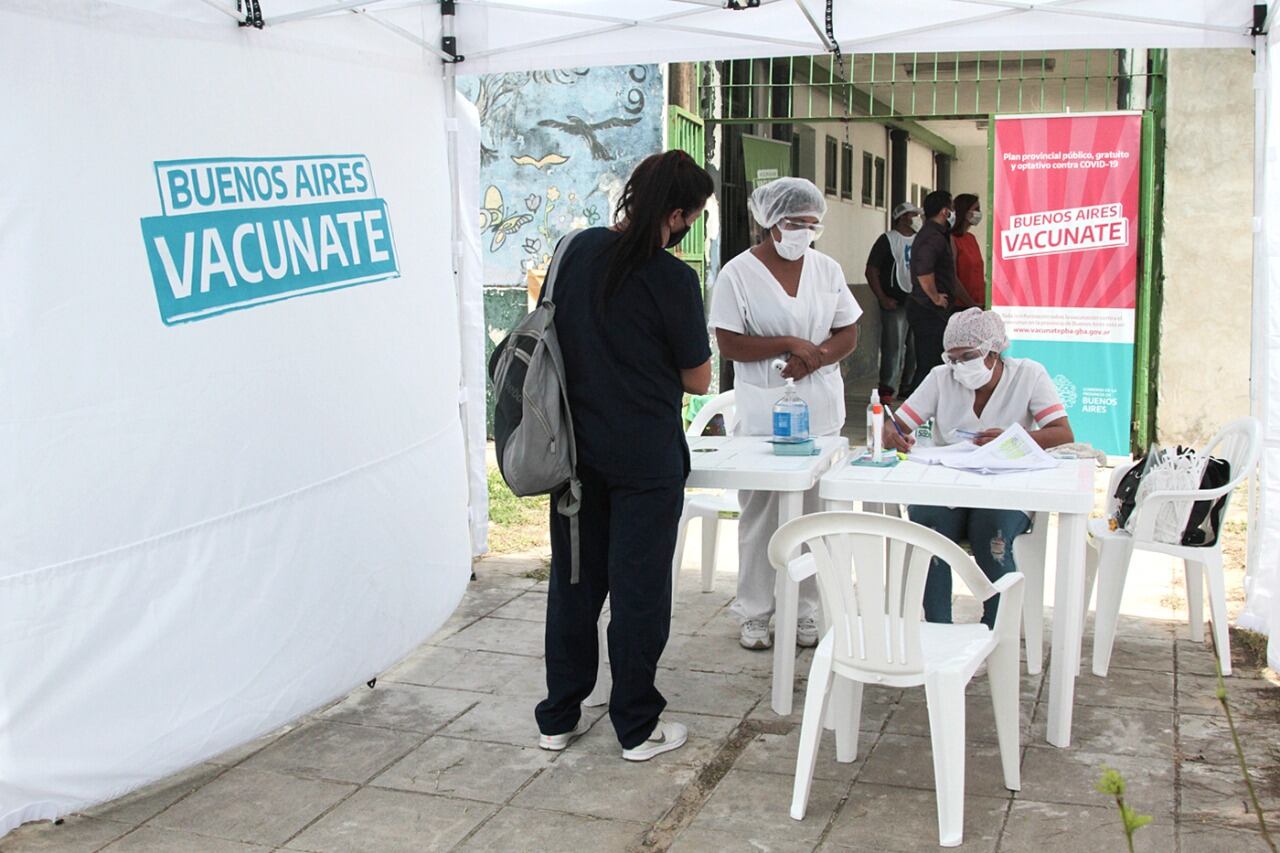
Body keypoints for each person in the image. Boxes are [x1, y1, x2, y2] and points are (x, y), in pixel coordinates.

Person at [536, 150, 714, 762]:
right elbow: (698, 380)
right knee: (639, 594)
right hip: (645, 460)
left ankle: (559, 717)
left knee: (575, 587)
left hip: (575, 458)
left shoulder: (574, 250)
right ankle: (637, 727)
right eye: (694, 214)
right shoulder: (672, 278)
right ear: (676, 214)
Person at [709, 177, 861, 650]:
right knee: (760, 514)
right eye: (795, 223)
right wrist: (787, 345)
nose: (803, 233)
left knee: (813, 515)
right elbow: (729, 341)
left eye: (812, 225)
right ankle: (755, 612)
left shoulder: (827, 269)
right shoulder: (737, 273)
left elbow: (848, 331)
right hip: (762, 411)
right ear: (771, 222)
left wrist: (813, 357)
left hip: (818, 409)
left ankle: (806, 612)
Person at [883, 309, 1074, 627]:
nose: (959, 366)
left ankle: (997, 631)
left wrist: (1013, 439)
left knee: (992, 531)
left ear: (993, 351)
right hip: (951, 486)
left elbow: (1062, 432)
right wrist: (890, 431)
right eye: (953, 358)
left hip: (1005, 488)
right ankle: (938, 629)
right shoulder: (941, 378)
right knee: (929, 528)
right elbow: (897, 424)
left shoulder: (1028, 375)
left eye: (968, 356)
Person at [906, 190, 976, 395]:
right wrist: (935, 296)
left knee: (935, 362)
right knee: (928, 365)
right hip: (928, 310)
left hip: (932, 310)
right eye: (952, 209)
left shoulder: (938, 235)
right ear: (945, 211)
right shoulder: (932, 237)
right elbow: (923, 270)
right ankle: (915, 416)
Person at [865, 202, 921, 404]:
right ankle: (887, 389)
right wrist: (882, 297)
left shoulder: (920, 240)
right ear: (904, 217)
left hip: (916, 302)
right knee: (893, 347)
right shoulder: (887, 240)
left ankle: (907, 388)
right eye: (914, 214)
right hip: (894, 302)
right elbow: (872, 270)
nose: (917, 218)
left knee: (915, 347)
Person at [951, 193, 986, 307]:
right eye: (976, 209)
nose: (979, 213)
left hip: (978, 303)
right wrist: (970, 304)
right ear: (965, 212)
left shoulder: (971, 238)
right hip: (960, 306)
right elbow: (953, 277)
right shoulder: (952, 239)